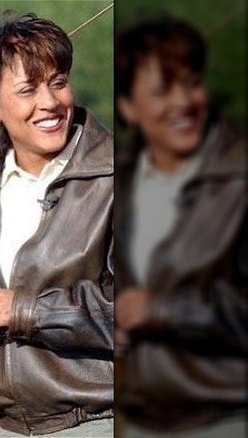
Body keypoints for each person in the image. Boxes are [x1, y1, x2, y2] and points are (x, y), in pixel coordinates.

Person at [0, 14, 114, 437]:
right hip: (7, 425)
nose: (50, 102)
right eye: (27, 90)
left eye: (57, 82)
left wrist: (24, 310)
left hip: (97, 420)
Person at [114, 16, 247, 438]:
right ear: (128, 107)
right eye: (161, 90)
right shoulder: (118, 182)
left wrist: (159, 311)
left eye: (191, 83)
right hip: (143, 420)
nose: (183, 102)